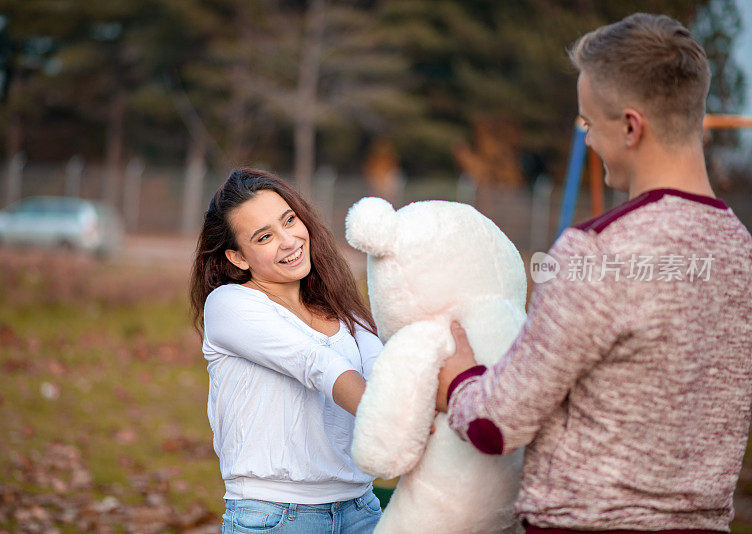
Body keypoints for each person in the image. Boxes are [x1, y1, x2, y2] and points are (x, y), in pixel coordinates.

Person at [437, 13, 752, 534]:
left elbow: (497, 424)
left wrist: (459, 381)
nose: (587, 139)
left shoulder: (597, 253)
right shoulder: (740, 249)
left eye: (589, 124)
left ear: (630, 126)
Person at [190, 168, 384, 533]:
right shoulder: (229, 304)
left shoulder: (341, 306)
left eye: (289, 220)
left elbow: (381, 368)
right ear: (238, 258)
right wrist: (391, 422)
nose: (289, 240)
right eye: (264, 237)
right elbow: (317, 364)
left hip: (362, 508)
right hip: (276, 516)